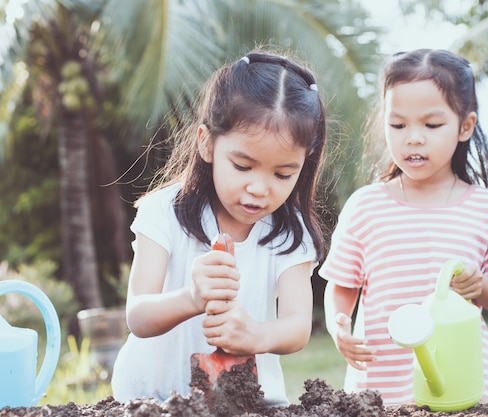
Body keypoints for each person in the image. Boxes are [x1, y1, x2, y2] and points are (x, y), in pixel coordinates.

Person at [111, 49, 327, 406]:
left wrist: (256, 335)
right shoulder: (165, 212)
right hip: (151, 402)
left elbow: (297, 326)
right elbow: (138, 315)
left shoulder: (290, 233)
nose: (260, 188)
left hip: (248, 406)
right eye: (243, 166)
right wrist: (191, 298)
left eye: (283, 174)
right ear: (206, 143)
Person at [319, 49, 488, 405]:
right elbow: (342, 286)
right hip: (380, 390)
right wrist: (338, 324)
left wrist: (480, 286)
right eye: (398, 125)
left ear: (465, 127)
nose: (413, 138)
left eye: (431, 125)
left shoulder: (487, 208)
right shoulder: (366, 206)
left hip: (460, 381)